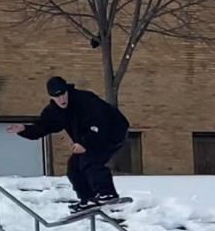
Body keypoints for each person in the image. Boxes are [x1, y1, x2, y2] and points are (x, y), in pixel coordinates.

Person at [7, 76, 130, 213]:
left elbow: (99, 123)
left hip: (112, 132)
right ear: (51, 97)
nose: (62, 100)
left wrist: (85, 143)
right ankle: (88, 199)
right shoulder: (54, 111)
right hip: (88, 138)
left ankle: (107, 194)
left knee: (90, 159)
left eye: (64, 95)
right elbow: (43, 127)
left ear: (68, 91)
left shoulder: (85, 100)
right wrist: (24, 129)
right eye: (57, 97)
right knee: (74, 166)